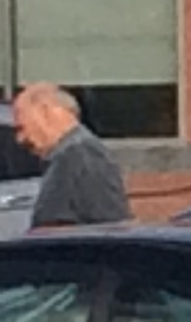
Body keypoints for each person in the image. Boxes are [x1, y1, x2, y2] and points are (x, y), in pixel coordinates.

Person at [13, 83, 129, 228]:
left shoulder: (81, 154)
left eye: (22, 128)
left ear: (46, 112)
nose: (20, 139)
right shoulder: (72, 154)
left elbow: (107, 223)